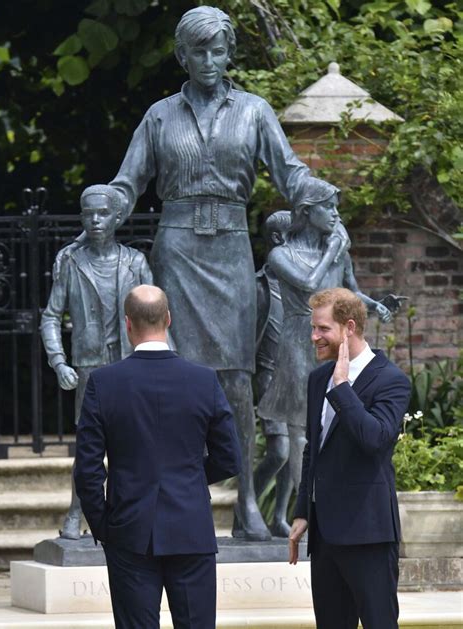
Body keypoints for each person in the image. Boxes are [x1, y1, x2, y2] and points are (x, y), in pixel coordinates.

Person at [103, 6, 349, 541]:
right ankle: (175, 492)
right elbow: (127, 183)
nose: (209, 60)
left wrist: (324, 201)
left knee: (237, 379)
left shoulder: (255, 112)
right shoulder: (160, 116)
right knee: (173, 375)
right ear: (182, 55)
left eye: (218, 50)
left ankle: (245, 504)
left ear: (229, 53)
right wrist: (102, 217)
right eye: (199, 51)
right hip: (179, 248)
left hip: (232, 252)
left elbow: (290, 173)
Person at [74, 285, 241, 629]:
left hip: (128, 528)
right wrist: (190, 478)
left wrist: (104, 525)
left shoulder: (103, 383)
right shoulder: (204, 380)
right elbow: (229, 458)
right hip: (190, 526)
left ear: (127, 324)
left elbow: (88, 468)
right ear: (168, 319)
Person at [257, 181, 392, 492]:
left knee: (340, 416)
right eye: (328, 207)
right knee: (301, 427)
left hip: (338, 344)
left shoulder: (338, 254)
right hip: (298, 340)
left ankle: (335, 495)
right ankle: (306, 502)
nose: (335, 214)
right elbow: (308, 284)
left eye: (336, 207)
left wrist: (375, 305)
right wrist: (332, 249)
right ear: (307, 211)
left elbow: (351, 291)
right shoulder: (282, 254)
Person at [289, 287, 411, 629]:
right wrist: (302, 512)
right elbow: (313, 448)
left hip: (368, 532)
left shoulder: (391, 380)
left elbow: (375, 440)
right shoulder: (317, 379)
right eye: (313, 328)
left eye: (323, 329)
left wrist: (343, 388)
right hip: (325, 536)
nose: (314, 337)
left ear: (350, 327)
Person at [41, 184, 153, 540]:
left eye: (102, 213)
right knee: (89, 449)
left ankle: (127, 515)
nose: (95, 220)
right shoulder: (70, 262)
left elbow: (157, 315)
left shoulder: (135, 262)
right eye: (88, 213)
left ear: (117, 217)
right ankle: (77, 512)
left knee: (133, 444)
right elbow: (50, 316)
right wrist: (59, 362)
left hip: (130, 365)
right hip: (90, 367)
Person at [253, 210, 293, 537]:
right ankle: (248, 506)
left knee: (293, 453)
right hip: (268, 380)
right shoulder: (258, 287)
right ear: (278, 239)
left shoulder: (302, 286)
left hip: (298, 378)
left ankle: (279, 517)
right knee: (279, 451)